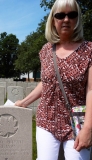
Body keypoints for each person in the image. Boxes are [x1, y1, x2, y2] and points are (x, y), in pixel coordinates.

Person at [15, 0, 92, 159]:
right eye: (60, 15)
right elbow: (46, 83)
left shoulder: (89, 50)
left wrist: (88, 128)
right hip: (47, 119)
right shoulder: (45, 50)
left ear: (77, 19)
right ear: (53, 19)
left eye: (72, 15)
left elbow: (91, 90)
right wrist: (24, 102)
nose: (66, 19)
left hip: (77, 123)